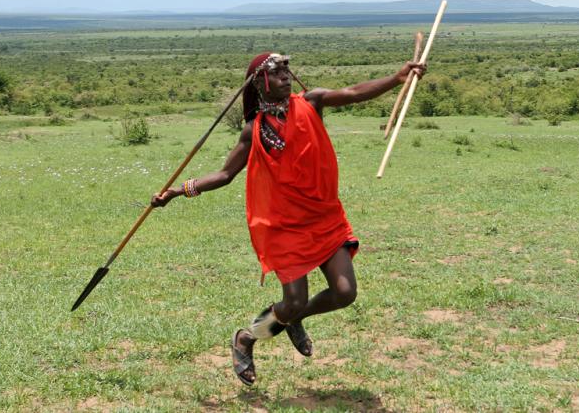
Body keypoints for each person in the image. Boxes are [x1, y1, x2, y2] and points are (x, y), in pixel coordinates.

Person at [151, 52, 426, 386]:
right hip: (284, 226)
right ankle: (247, 339)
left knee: (344, 293)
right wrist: (179, 191)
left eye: (286, 70)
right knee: (292, 300)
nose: (285, 76)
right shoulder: (254, 130)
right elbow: (225, 174)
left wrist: (396, 79)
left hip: (324, 217)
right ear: (260, 84)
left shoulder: (312, 102)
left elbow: (354, 92)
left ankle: (294, 319)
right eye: (276, 72)